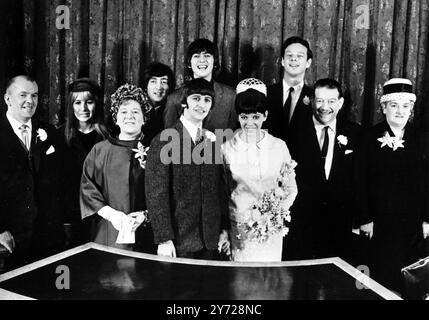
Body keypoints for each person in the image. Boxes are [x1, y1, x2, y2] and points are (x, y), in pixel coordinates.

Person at [357, 78, 427, 294]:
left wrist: (427, 219)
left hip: (413, 225)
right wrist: (364, 219)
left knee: (409, 279)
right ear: (383, 107)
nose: (399, 111)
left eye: (405, 106)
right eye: (394, 105)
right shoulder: (368, 137)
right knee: (382, 277)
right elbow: (360, 180)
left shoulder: (422, 138)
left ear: (411, 109)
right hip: (380, 224)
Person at [146, 78, 228, 260]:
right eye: (196, 98)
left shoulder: (212, 140)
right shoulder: (164, 140)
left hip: (211, 241)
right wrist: (164, 239)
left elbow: (218, 190)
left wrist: (223, 229)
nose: (202, 104)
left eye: (207, 100)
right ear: (184, 102)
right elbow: (156, 194)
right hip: (179, 242)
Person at [220, 78, 298, 262]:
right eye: (244, 117)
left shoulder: (279, 147)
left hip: (271, 230)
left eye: (255, 117)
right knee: (241, 285)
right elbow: (222, 192)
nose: (249, 123)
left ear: (265, 115)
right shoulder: (226, 149)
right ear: (238, 117)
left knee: (269, 283)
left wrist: (274, 215)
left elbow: (291, 188)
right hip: (239, 229)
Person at [285, 78, 361, 262]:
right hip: (303, 225)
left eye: (331, 101)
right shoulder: (293, 133)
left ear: (341, 103)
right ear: (311, 101)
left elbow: (360, 179)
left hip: (340, 225)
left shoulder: (356, 133)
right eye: (319, 101)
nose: (324, 107)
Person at [80, 83, 155, 253]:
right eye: (124, 112)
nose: (130, 116)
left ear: (144, 117)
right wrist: (111, 214)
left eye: (136, 112)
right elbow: (87, 188)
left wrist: (146, 215)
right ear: (116, 117)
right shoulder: (100, 151)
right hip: (109, 233)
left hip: (146, 233)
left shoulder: (157, 150)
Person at [0, 75, 64, 270]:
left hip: (48, 236)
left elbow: (59, 181)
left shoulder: (49, 131)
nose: (30, 101)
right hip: (9, 239)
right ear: (8, 99)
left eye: (34, 95)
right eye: (23, 95)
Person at [58, 78, 109, 248]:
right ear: (71, 105)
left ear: (97, 103)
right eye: (77, 102)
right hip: (71, 216)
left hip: (101, 214)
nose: (83, 109)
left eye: (89, 102)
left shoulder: (109, 135)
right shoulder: (59, 136)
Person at [163, 38, 238, 132]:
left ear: (214, 62)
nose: (202, 60)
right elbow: (169, 139)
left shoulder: (230, 96)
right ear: (189, 63)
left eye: (207, 55)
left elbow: (232, 137)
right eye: (196, 56)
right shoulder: (174, 99)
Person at [265, 36, 314, 144]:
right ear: (282, 61)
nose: (293, 59)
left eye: (299, 56)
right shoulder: (265, 93)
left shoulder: (315, 97)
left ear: (308, 62)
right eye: (289, 55)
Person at [141, 62, 176, 142]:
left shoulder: (172, 110)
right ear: (146, 85)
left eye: (164, 82)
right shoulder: (136, 107)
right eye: (153, 81)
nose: (159, 87)